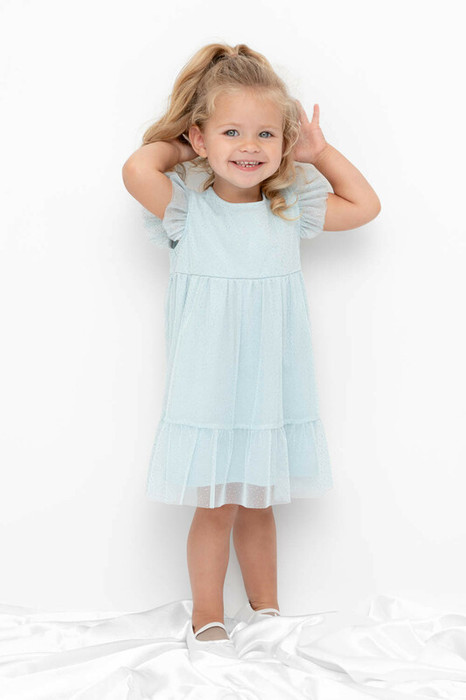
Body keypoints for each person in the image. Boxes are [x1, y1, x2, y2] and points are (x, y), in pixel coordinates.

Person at [122, 42, 381, 658]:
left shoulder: (287, 209)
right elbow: (136, 168)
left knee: (259, 502)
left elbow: (365, 207)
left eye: (266, 133)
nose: (249, 146)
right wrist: (187, 147)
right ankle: (207, 618)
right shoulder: (186, 210)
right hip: (207, 386)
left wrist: (319, 153)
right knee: (217, 505)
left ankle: (267, 612)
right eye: (231, 132)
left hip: (270, 384)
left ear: (285, 143)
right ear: (200, 138)